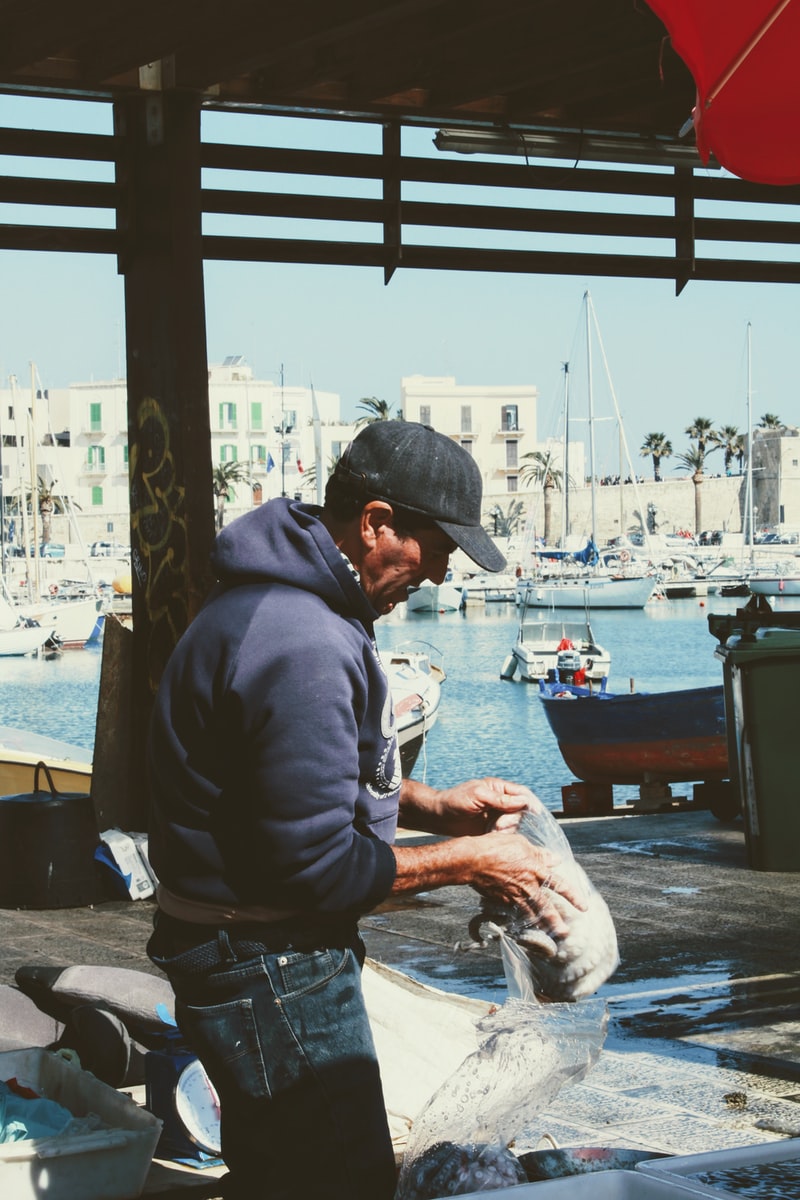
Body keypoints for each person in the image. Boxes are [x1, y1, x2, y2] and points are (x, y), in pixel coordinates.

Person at [146, 420, 585, 1200]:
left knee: (279, 1174)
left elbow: (281, 778)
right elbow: (317, 869)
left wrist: (432, 804)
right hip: (268, 963)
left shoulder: (282, 604)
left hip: (238, 952)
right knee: (336, 1182)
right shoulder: (303, 639)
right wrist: (475, 860)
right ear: (377, 523)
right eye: (439, 547)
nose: (444, 574)